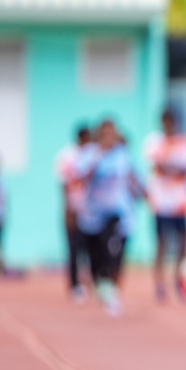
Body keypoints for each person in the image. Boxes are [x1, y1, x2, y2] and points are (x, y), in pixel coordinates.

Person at [75, 119, 145, 316]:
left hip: (116, 215)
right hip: (93, 215)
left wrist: (143, 193)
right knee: (96, 259)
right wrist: (98, 158)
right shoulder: (90, 154)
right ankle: (101, 285)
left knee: (114, 255)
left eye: (111, 134)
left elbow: (134, 178)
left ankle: (113, 292)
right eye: (105, 134)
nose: (108, 138)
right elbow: (81, 178)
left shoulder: (123, 156)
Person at [143, 108, 186, 303]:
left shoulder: (185, 143)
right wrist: (172, 169)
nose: (169, 125)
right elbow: (158, 167)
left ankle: (179, 280)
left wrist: (169, 169)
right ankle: (159, 284)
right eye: (166, 121)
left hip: (180, 203)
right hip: (161, 203)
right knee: (161, 245)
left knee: (183, 244)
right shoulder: (154, 143)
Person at [55, 125, 93, 300]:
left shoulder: (94, 154)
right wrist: (67, 209)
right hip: (74, 209)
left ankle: (90, 281)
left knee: (90, 248)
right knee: (73, 249)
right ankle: (74, 285)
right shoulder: (67, 156)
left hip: (92, 212)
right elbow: (63, 185)